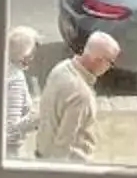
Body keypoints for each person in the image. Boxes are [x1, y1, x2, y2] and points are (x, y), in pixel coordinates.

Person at [31, 33, 118, 162]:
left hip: (42, 152)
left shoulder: (61, 68)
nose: (110, 68)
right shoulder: (81, 95)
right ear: (99, 60)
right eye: (111, 62)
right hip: (71, 168)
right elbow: (64, 144)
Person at [0, 26, 40, 158]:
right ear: (24, 53)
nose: (33, 58)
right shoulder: (15, 79)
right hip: (9, 153)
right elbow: (11, 130)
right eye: (32, 53)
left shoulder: (1, 68)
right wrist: (37, 118)